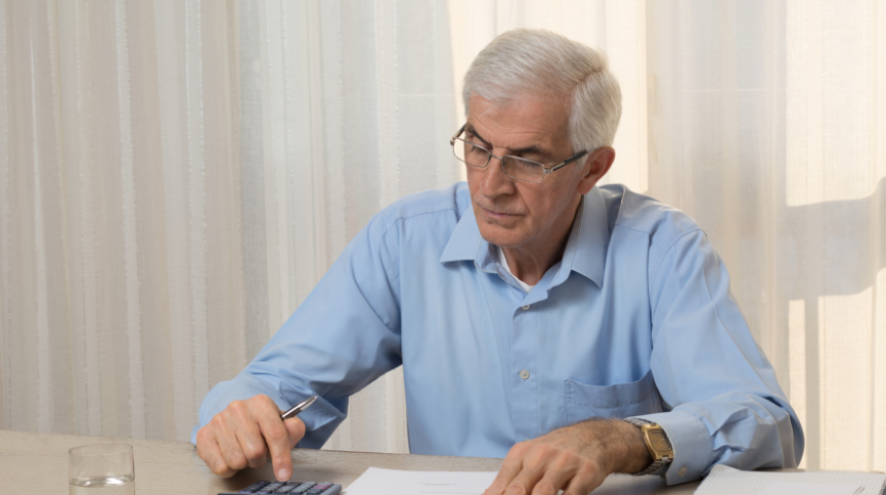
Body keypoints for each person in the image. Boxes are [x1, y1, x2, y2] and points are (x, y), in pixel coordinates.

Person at [193, 28, 803, 495]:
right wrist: (241, 413)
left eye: (528, 160)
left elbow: (766, 424)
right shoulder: (406, 239)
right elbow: (279, 388)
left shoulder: (661, 249)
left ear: (593, 167)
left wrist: (620, 439)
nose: (490, 186)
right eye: (479, 148)